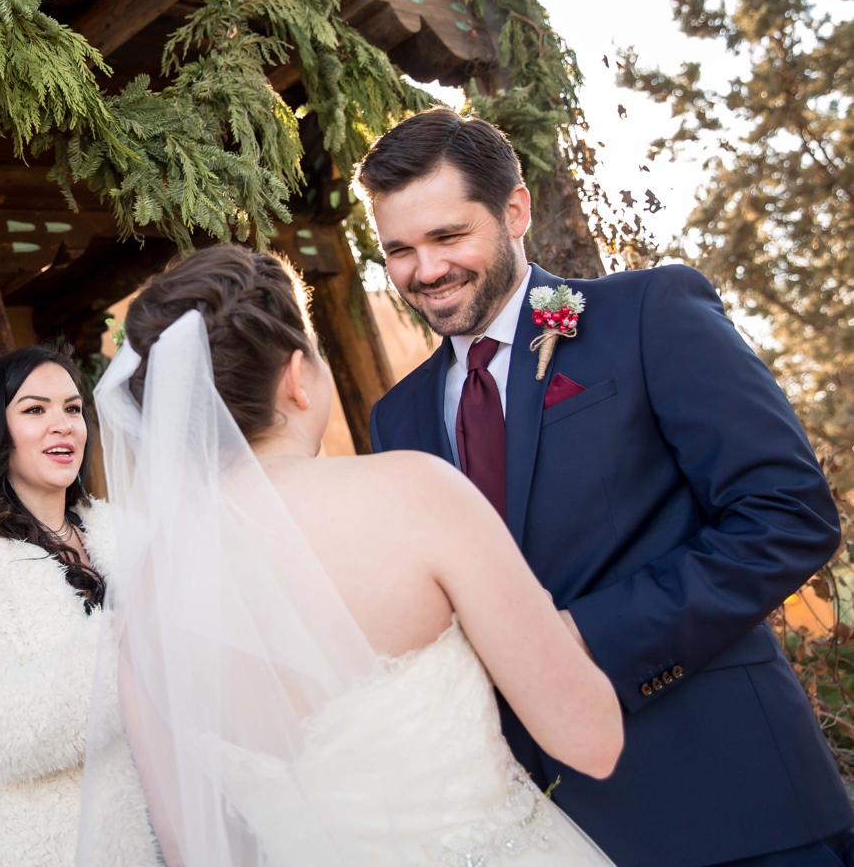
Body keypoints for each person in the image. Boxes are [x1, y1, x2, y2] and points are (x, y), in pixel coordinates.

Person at [362, 108, 851, 867]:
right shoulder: (397, 417)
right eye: (399, 250)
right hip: (549, 833)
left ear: (515, 209)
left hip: (734, 801)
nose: (425, 272)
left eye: (449, 237)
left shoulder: (647, 315)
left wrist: (585, 637)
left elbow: (788, 516)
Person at [77, 245, 622, 867]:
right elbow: (589, 739)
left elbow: (192, 851)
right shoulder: (413, 493)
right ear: (293, 376)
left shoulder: (145, 606)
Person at [0, 344, 157, 867]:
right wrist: (126, 638)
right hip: (49, 850)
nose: (62, 425)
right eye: (35, 409)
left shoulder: (125, 534)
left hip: (162, 836)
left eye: (73, 408)